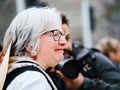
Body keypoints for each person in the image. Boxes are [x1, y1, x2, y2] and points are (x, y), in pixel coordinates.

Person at [1, 7, 67, 90]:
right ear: (30, 44)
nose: (64, 42)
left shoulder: (17, 74)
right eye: (55, 34)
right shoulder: (33, 80)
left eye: (62, 34)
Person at [55, 14, 120, 90]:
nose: (65, 45)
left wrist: (84, 84)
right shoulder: (43, 71)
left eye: (67, 38)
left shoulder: (93, 60)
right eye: (57, 39)